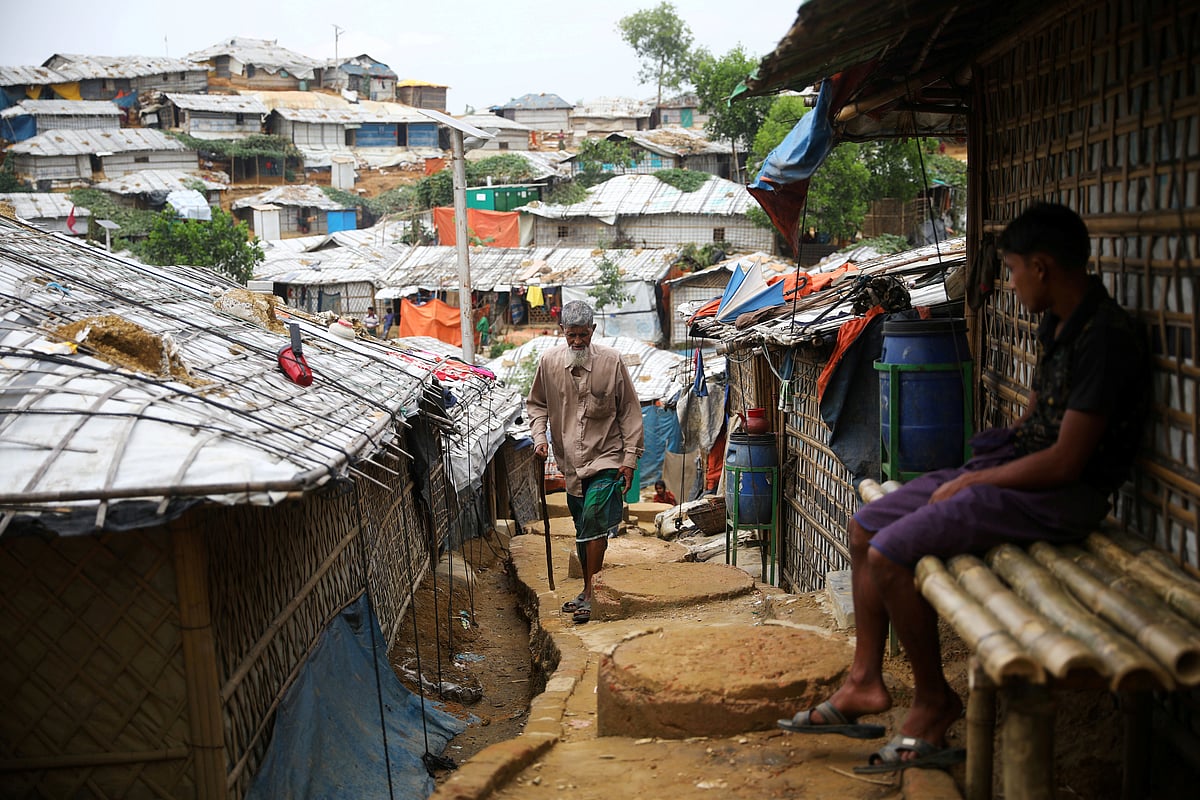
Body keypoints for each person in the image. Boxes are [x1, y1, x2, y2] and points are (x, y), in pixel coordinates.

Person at [777, 202, 1149, 774]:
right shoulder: (1060, 321)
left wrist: (979, 479)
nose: (1012, 281)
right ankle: (864, 682)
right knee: (862, 526)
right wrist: (985, 463)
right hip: (1021, 473)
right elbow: (1036, 421)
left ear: (1043, 267)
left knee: (891, 553)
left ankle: (933, 703)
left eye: (1015, 269)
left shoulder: (1104, 338)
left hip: (1059, 497)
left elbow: (1068, 461)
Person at [526, 300, 644, 624]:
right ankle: (588, 588)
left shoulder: (612, 362)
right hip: (570, 463)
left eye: (583, 335)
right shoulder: (548, 363)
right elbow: (536, 405)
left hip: (606, 456)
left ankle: (592, 595)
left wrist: (630, 460)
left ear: (593, 331)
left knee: (593, 519)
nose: (578, 342)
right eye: (572, 335)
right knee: (583, 528)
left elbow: (630, 412)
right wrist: (540, 439)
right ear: (562, 331)